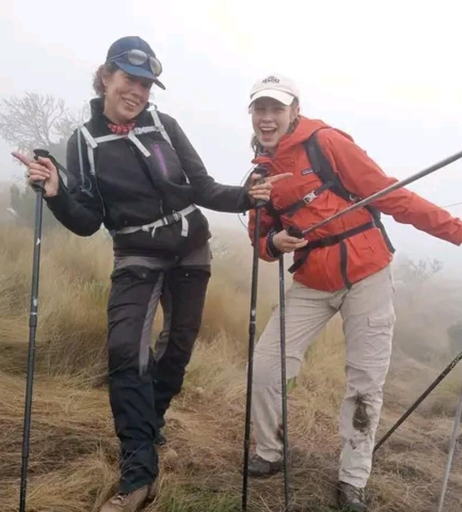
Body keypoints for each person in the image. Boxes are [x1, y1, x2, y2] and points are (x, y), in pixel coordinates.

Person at [14, 37, 287, 512]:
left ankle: (148, 423)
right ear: (106, 78)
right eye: (129, 80)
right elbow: (87, 221)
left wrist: (247, 197)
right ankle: (138, 476)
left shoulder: (165, 125)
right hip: (135, 255)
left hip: (191, 250)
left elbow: (200, 186)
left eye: (145, 84)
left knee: (176, 351)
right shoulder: (85, 141)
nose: (138, 92)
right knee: (125, 353)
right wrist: (57, 193)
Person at [243, 74, 462, 512]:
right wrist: (274, 244)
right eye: (260, 109)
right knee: (265, 369)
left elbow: (392, 197)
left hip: (368, 274)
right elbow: (260, 240)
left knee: (364, 384)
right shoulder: (259, 174)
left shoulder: (326, 143)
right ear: (252, 114)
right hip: (309, 280)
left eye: (276, 109)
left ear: (294, 110)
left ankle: (352, 479)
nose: (268, 118)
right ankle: (269, 452)